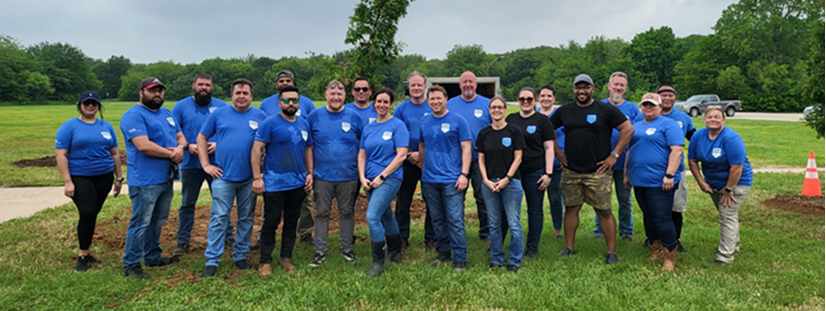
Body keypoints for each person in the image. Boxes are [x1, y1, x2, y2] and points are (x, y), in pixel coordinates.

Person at [549, 74, 634, 265]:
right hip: (571, 171)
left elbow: (628, 129)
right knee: (571, 209)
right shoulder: (565, 111)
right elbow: (549, 127)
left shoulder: (606, 110)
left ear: (593, 89)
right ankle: (569, 248)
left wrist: (614, 155)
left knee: (604, 210)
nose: (582, 91)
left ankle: (611, 252)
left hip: (598, 171)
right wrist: (557, 151)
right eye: (578, 87)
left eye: (585, 87)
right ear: (573, 90)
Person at [199, 79, 267, 278]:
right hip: (223, 177)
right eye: (238, 93)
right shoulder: (219, 114)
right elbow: (201, 137)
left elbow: (268, 144)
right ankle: (212, 261)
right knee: (219, 218)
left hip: (249, 178)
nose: (242, 96)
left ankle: (240, 256)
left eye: (245, 93)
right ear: (232, 95)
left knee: (246, 218)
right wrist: (206, 165)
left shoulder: (261, 116)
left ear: (251, 96)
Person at [119, 77, 185, 278]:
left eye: (160, 91)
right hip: (145, 180)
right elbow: (143, 145)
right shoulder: (133, 116)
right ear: (141, 92)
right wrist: (172, 154)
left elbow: (180, 136)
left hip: (165, 177)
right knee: (141, 222)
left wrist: (181, 147)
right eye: (152, 90)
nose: (157, 94)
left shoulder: (167, 113)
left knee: (158, 220)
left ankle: (152, 257)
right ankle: (131, 264)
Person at [55, 90, 123, 272]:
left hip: (104, 175)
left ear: (99, 106)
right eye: (87, 103)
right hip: (80, 176)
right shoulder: (69, 127)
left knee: (92, 213)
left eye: (94, 103)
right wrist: (68, 182)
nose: (91, 106)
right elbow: (61, 155)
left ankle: (86, 250)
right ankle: (83, 255)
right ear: (80, 105)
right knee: (88, 211)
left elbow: (115, 153)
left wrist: (119, 178)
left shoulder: (106, 126)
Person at [251, 85, 314, 277]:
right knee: (271, 222)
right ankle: (265, 261)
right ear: (280, 103)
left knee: (291, 221)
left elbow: (308, 149)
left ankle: (286, 257)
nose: (291, 103)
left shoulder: (303, 123)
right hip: (274, 183)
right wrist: (256, 177)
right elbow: (256, 150)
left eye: (294, 100)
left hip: (297, 183)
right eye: (287, 100)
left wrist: (309, 172)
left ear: (299, 103)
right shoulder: (270, 123)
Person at [305, 80, 364, 267]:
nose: (336, 97)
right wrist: (310, 171)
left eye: (339, 94)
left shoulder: (354, 117)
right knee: (322, 213)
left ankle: (347, 249)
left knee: (346, 212)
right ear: (326, 95)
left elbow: (363, 144)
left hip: (349, 175)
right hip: (322, 176)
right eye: (332, 94)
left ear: (345, 96)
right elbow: (308, 146)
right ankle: (320, 251)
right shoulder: (314, 116)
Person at [170, 73, 229, 258]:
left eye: (208, 85)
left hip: (216, 163)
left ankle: (228, 237)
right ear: (193, 86)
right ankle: (183, 240)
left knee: (222, 200)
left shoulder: (222, 106)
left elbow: (230, 131)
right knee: (188, 203)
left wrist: (218, 143)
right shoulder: (181, 107)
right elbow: (173, 131)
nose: (204, 88)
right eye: (201, 85)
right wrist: (187, 146)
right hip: (190, 163)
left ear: (212, 87)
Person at [623, 93, 684, 270]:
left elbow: (677, 151)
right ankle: (654, 249)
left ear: (659, 107)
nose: (648, 108)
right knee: (648, 216)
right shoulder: (636, 125)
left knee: (662, 218)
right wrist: (627, 175)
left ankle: (670, 254)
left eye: (652, 105)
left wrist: (670, 175)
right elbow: (629, 151)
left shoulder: (669, 124)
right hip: (639, 180)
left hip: (660, 181)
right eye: (645, 105)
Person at [257, 70, 316, 248]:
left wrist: (309, 170)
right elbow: (261, 136)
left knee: (303, 203)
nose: (284, 82)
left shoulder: (306, 103)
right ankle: (263, 237)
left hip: (298, 168)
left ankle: (305, 233)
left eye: (287, 80)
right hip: (275, 170)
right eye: (281, 80)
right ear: (277, 85)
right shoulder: (267, 104)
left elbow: (309, 138)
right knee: (270, 209)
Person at [688, 107, 753, 266]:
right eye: (709, 117)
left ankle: (725, 257)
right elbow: (692, 161)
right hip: (713, 182)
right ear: (704, 119)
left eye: (717, 117)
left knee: (726, 216)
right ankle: (734, 246)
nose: (713, 119)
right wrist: (701, 182)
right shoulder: (698, 136)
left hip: (736, 182)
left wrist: (729, 190)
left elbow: (737, 167)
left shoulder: (731, 138)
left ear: (723, 120)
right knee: (728, 214)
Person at [419, 85, 472, 272]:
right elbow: (422, 146)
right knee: (437, 219)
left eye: (438, 98)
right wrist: (423, 166)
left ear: (446, 99)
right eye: (432, 99)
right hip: (429, 179)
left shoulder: (458, 120)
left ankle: (460, 258)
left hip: (452, 179)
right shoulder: (425, 122)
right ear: (428, 101)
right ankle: (443, 253)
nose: (435, 102)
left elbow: (466, 148)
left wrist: (464, 174)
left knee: (455, 218)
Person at [358, 88, 409, 276]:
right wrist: (363, 177)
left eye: (385, 102)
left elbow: (402, 155)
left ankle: (378, 263)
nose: (381, 105)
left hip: (389, 178)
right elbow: (362, 155)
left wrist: (382, 177)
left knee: (372, 216)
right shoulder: (368, 128)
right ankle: (395, 253)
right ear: (374, 103)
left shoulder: (398, 125)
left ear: (391, 105)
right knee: (386, 216)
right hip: (369, 179)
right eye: (378, 101)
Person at [506, 87, 555, 259]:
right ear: (518, 101)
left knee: (535, 210)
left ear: (535, 100)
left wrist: (548, 174)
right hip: (514, 174)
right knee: (510, 210)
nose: (525, 102)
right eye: (522, 99)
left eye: (529, 99)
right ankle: (504, 243)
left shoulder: (542, 120)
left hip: (535, 172)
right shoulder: (510, 119)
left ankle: (532, 248)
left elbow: (549, 148)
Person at [445, 71, 494, 243]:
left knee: (483, 197)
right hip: (456, 162)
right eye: (464, 82)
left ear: (476, 84)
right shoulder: (450, 104)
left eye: (471, 82)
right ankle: (457, 234)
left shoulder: (487, 104)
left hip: (481, 161)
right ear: (459, 85)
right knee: (456, 198)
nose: (467, 85)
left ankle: (486, 232)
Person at [479, 96, 526, 272]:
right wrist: (485, 180)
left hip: (511, 183)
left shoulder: (514, 131)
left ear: (505, 110)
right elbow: (481, 160)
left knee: (513, 222)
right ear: (489, 111)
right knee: (494, 223)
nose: (496, 110)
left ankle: (515, 259)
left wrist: (507, 178)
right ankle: (497, 258)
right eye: (493, 108)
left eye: (499, 107)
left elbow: (518, 158)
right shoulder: (484, 133)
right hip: (489, 183)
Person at [594, 71, 639, 241]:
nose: (618, 88)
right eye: (616, 84)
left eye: (622, 85)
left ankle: (626, 231)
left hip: (624, 163)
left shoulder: (632, 109)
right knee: (601, 199)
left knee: (624, 199)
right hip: (602, 162)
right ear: (609, 86)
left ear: (625, 88)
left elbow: (636, 133)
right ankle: (599, 231)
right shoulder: (599, 106)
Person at [393, 71, 434, 249]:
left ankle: (432, 238)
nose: (416, 88)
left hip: (429, 161)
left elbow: (436, 134)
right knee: (403, 200)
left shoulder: (433, 106)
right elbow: (397, 134)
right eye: (413, 85)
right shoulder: (401, 109)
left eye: (419, 85)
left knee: (432, 200)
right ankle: (401, 237)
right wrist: (412, 154)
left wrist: (422, 156)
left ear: (425, 87)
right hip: (407, 161)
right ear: (408, 88)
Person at [654, 84, 694, 252]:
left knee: (675, 207)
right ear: (657, 97)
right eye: (663, 94)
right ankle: (654, 239)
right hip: (654, 170)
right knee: (654, 207)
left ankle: (675, 240)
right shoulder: (649, 115)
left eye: (671, 94)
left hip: (677, 170)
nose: (667, 97)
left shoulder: (683, 118)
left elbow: (695, 138)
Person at [536, 84, 564, 240]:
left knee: (555, 198)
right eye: (543, 96)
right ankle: (536, 229)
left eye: (549, 96)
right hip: (537, 165)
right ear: (538, 98)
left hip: (556, 165)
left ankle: (557, 230)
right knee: (536, 200)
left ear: (554, 98)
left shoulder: (559, 115)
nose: (545, 99)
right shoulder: (533, 115)